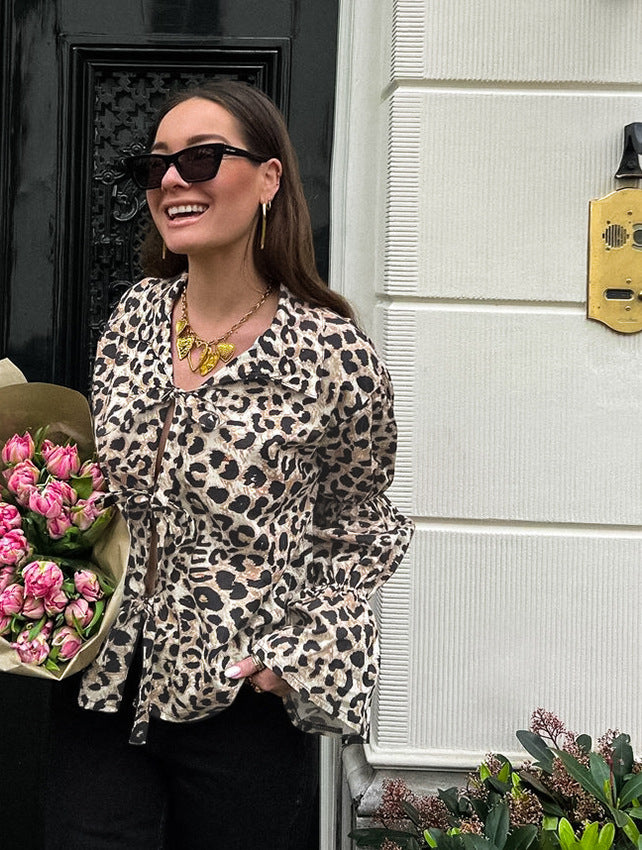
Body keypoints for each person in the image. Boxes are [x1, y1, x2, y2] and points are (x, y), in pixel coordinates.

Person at [45, 79, 413, 850]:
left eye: (203, 158)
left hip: (238, 701)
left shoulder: (331, 354)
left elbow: (361, 528)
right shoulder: (135, 318)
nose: (174, 181)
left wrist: (292, 660)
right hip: (106, 685)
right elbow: (100, 488)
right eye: (158, 167)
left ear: (269, 178)